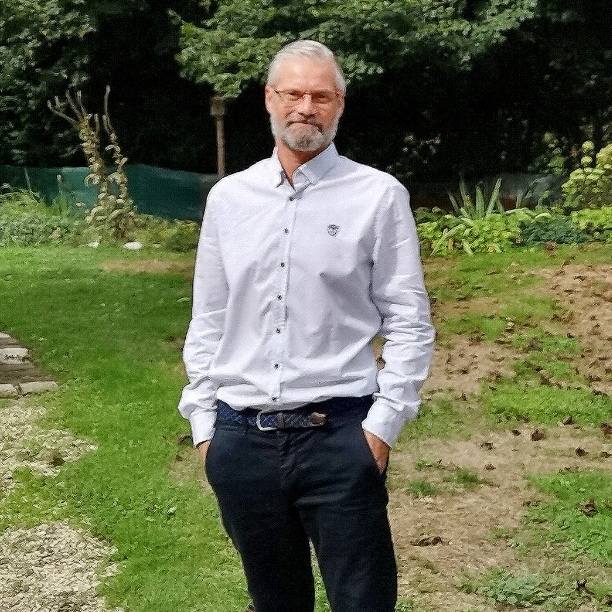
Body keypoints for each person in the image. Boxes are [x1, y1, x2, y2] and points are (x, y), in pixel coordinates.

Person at [178, 39, 435, 612]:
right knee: (274, 601)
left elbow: (409, 319)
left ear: (339, 104)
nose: (306, 108)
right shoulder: (230, 199)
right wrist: (203, 424)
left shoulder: (377, 196)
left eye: (321, 96)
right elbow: (209, 317)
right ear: (270, 99)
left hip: (340, 436)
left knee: (364, 601)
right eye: (293, 93)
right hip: (241, 438)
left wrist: (382, 426)